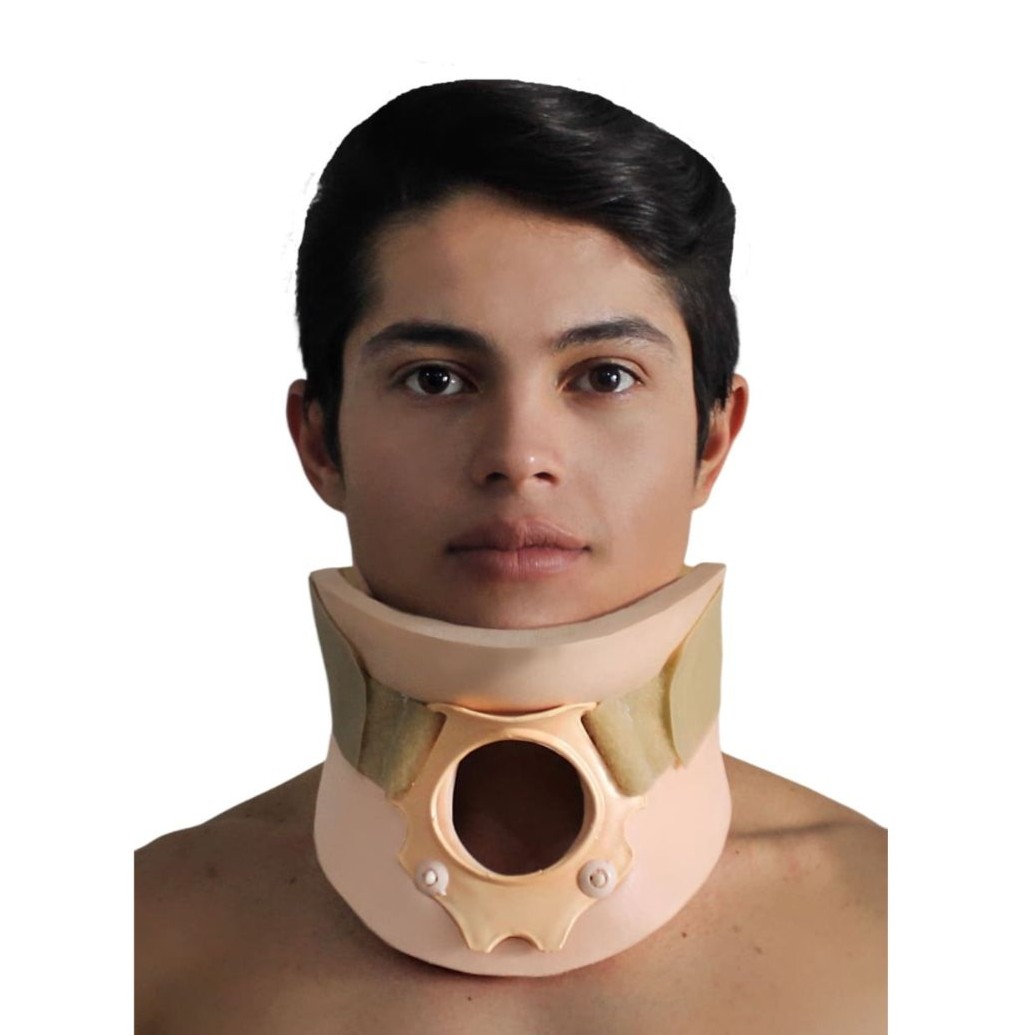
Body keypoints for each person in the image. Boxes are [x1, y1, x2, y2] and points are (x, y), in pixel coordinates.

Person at [135, 80, 886, 1032]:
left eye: (603, 375)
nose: (518, 455)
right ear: (319, 441)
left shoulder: (910, 927)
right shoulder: (133, 938)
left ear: (712, 438)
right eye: (434, 378)